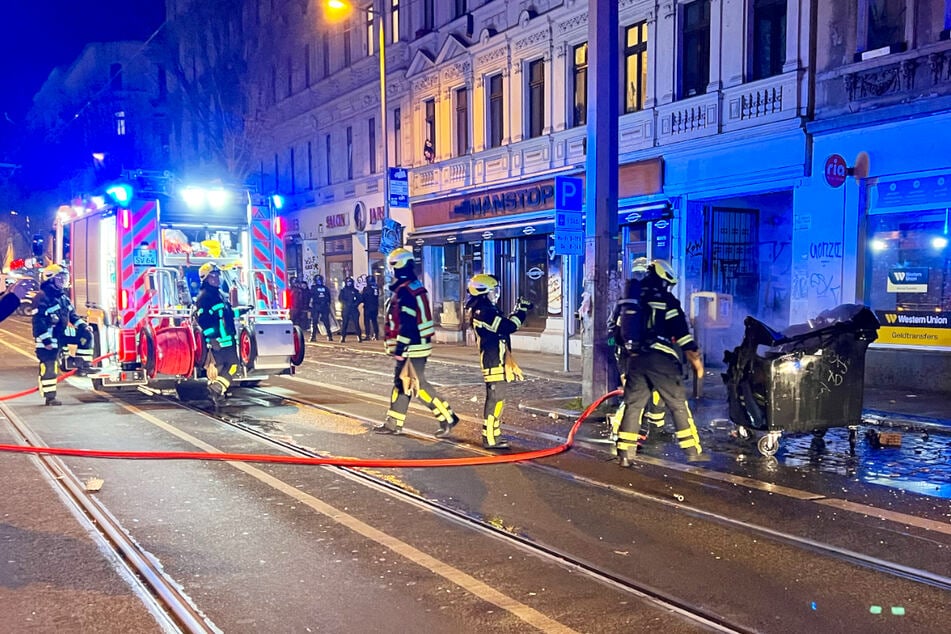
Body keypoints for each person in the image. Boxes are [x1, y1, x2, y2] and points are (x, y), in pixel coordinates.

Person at [613, 259, 706, 466]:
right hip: (661, 360)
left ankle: (625, 455)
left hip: (636, 360)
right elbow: (683, 336)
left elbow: (618, 335)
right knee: (678, 405)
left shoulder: (631, 299)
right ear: (664, 280)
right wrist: (696, 362)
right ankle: (693, 452)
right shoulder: (667, 300)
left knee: (634, 406)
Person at [377, 247, 459, 436]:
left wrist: (399, 350)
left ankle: (447, 417)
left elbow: (407, 324)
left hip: (411, 348)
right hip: (417, 346)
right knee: (403, 384)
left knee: (418, 386)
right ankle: (393, 423)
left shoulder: (406, 291)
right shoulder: (413, 287)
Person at [466, 274, 533, 450]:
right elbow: (508, 327)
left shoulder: (486, 309)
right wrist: (522, 310)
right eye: (493, 290)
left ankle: (493, 435)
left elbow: (505, 325)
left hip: (497, 359)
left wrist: (518, 311)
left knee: (497, 399)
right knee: (495, 399)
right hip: (493, 360)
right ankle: (490, 438)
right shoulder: (484, 311)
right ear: (483, 292)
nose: (496, 294)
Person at [607, 257, 667, 448]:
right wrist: (616, 349)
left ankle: (655, 429)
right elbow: (614, 331)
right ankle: (620, 431)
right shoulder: (629, 301)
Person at [31, 264, 95, 406]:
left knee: (86, 335)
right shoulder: (41, 297)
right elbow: (38, 321)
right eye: (60, 278)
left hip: (62, 333)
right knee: (49, 368)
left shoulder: (63, 298)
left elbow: (73, 315)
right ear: (50, 279)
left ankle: (83, 363)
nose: (63, 282)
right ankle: (50, 397)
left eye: (65, 278)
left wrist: (83, 326)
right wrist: (46, 340)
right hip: (48, 339)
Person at [193, 262, 250, 405]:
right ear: (206, 278)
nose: (217, 278)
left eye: (218, 275)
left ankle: (216, 391)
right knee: (232, 366)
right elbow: (203, 320)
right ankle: (216, 389)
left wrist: (243, 310)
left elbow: (228, 313)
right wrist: (212, 339)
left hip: (228, 339)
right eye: (214, 275)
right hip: (218, 341)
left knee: (226, 367)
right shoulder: (204, 298)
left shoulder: (220, 294)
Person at [338, 276, 362, 343]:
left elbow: (360, 299)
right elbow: (340, 299)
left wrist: (355, 304)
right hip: (346, 309)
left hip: (354, 309)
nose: (349, 283)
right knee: (345, 323)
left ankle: (359, 336)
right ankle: (343, 337)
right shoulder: (343, 291)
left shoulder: (355, 290)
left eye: (350, 282)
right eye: (348, 282)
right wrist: (345, 303)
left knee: (356, 323)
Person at [310, 274, 333, 342]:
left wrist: (327, 305)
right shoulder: (313, 288)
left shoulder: (325, 288)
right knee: (314, 321)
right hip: (316, 306)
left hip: (324, 306)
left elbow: (329, 298)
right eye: (317, 280)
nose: (319, 281)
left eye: (320, 280)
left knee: (326, 321)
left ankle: (329, 335)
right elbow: (310, 296)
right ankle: (313, 336)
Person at [361, 276, 381, 341]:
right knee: (374, 321)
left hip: (368, 307)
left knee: (367, 322)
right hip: (375, 307)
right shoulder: (376, 288)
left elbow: (363, 297)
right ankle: (376, 335)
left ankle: (368, 335)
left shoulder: (367, 288)